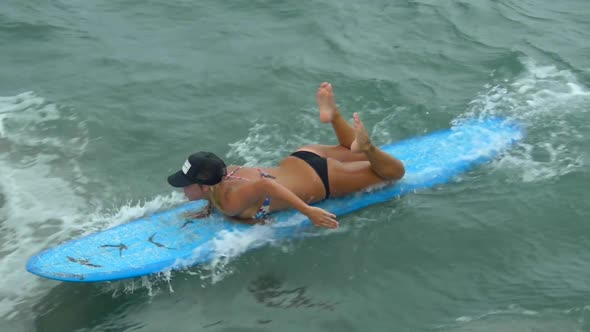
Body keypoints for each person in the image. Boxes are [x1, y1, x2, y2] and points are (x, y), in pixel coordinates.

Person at [167, 82, 405, 228]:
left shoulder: (230, 203)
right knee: (346, 148)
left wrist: (309, 211)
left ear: (205, 187)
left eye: (188, 184)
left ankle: (368, 148)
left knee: (395, 173)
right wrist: (210, 208)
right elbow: (226, 188)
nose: (183, 189)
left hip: (322, 179)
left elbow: (264, 186)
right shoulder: (221, 173)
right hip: (300, 158)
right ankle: (333, 115)